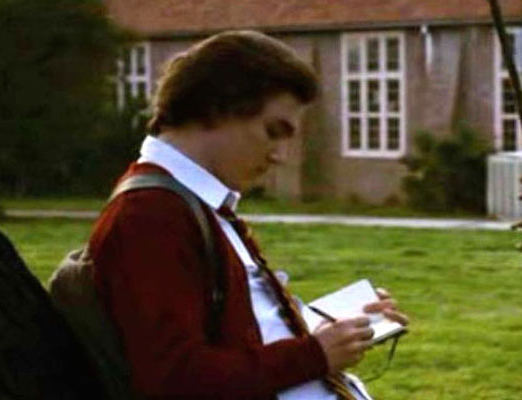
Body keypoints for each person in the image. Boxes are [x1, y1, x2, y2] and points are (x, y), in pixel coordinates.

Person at [88, 30, 408, 399]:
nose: (280, 155)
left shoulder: (195, 204)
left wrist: (335, 328)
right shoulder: (151, 215)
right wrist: (314, 354)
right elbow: (176, 380)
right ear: (218, 107)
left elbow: (245, 332)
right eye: (273, 132)